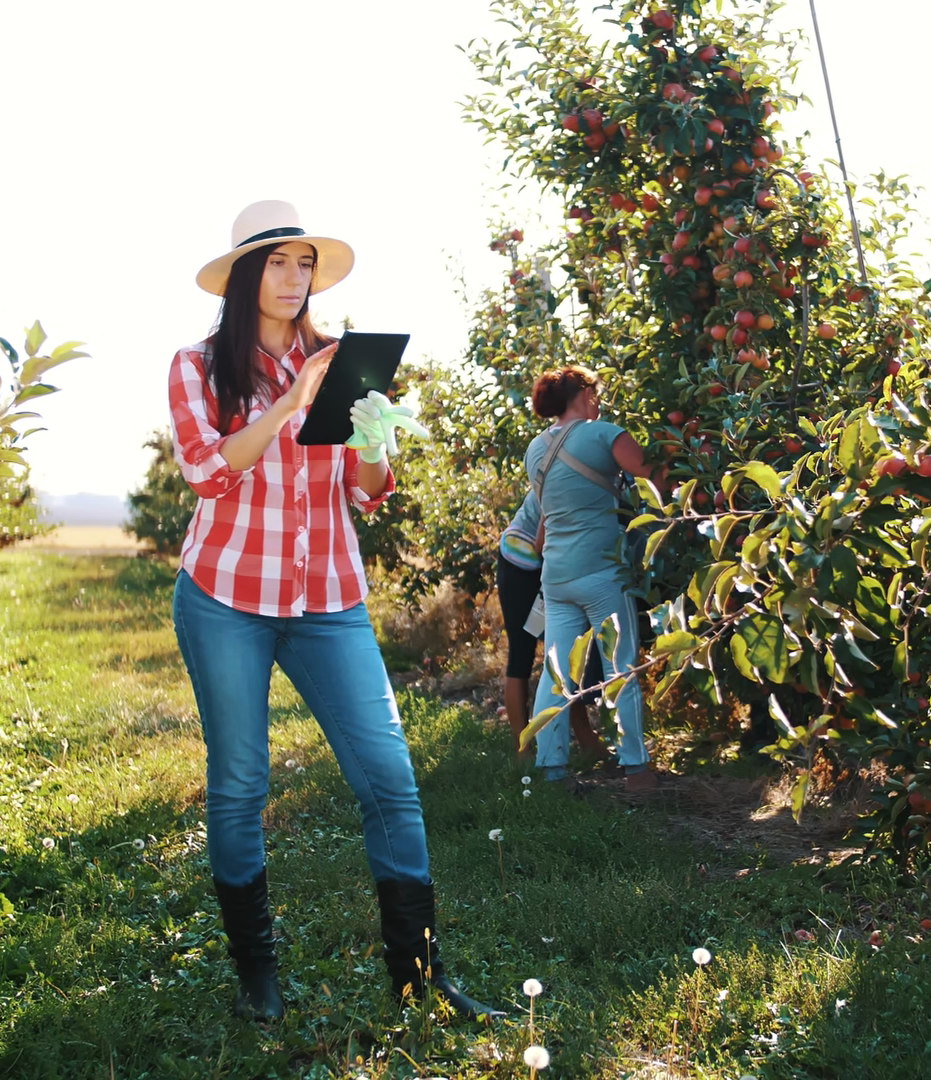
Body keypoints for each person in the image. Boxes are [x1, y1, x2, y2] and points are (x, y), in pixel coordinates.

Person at [168, 199, 500, 1023]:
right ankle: (258, 978)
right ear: (245, 275)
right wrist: (287, 405)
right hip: (226, 594)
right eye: (277, 262)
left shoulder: (342, 361)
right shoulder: (198, 365)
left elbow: (367, 491)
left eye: (304, 263)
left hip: (327, 597)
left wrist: (373, 438)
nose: (294, 277)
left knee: (390, 779)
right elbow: (207, 472)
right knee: (240, 781)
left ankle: (419, 978)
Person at [523, 366, 661, 792]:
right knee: (620, 668)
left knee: (557, 672)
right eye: (595, 394)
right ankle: (636, 769)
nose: (598, 402)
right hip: (601, 571)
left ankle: (550, 770)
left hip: (556, 577)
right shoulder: (604, 434)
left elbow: (544, 524)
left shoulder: (535, 450)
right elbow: (654, 474)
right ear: (584, 394)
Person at [496, 488, 611, 764]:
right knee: (522, 655)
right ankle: (523, 749)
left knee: (562, 652)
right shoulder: (563, 477)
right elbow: (542, 541)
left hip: (549, 564)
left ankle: (586, 740)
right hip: (521, 564)